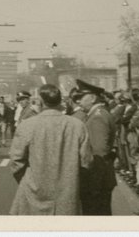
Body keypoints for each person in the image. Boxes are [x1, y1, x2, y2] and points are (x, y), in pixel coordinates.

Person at [9, 84, 93, 215]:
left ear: (41, 102)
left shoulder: (27, 125)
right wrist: (73, 181)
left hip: (34, 191)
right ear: (60, 101)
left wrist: (27, 181)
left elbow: (16, 161)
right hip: (67, 192)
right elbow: (86, 161)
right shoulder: (77, 125)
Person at [76, 79, 117, 215]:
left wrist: (94, 184)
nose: (78, 101)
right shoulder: (96, 114)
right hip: (99, 179)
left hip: (96, 180)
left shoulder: (97, 117)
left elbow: (99, 153)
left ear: (93, 98)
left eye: (81, 97)